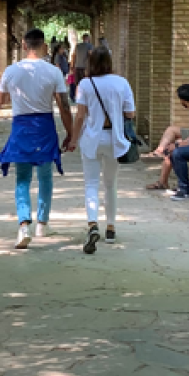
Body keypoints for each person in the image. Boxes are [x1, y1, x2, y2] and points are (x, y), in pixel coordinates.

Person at [0, 28, 74, 249]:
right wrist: (70, 134)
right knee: (45, 177)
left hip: (21, 126)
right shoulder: (53, 72)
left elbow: (1, 99)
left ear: (23, 45)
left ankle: (23, 225)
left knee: (22, 178)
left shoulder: (11, 71)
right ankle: (42, 222)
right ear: (44, 46)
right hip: (44, 126)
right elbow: (64, 106)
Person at [66, 47, 135, 255]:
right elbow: (130, 113)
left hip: (91, 140)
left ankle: (93, 224)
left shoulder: (85, 84)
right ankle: (111, 228)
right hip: (114, 139)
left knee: (91, 184)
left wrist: (73, 140)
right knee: (111, 184)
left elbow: (80, 117)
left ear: (91, 63)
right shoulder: (121, 82)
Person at [144, 85, 189, 201]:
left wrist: (177, 145)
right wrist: (181, 142)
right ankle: (178, 186)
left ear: (182, 100)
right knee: (173, 150)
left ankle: (185, 190)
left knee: (177, 153)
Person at [69, 33, 94, 101]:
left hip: (77, 67)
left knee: (77, 83)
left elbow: (74, 56)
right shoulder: (90, 46)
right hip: (85, 68)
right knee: (86, 83)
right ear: (88, 39)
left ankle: (78, 98)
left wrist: (72, 66)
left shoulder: (78, 46)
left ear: (83, 38)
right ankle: (85, 98)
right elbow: (90, 54)